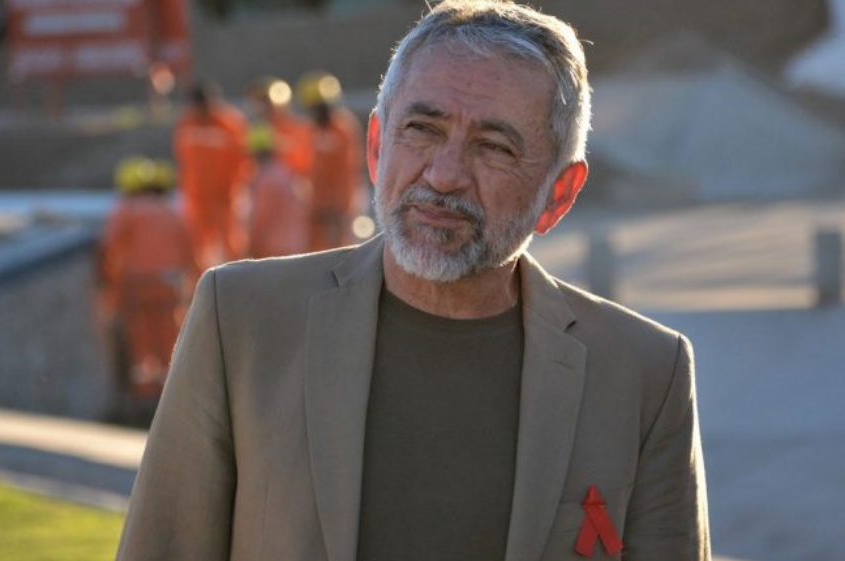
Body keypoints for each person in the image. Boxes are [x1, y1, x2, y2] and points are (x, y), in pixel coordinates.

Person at [116, 1, 711, 560]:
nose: (445, 175)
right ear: (377, 146)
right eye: (423, 129)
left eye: (494, 147)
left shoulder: (646, 375)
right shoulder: (240, 323)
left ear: (559, 194)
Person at [97, 157, 200, 404]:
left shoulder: (126, 209)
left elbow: (108, 248)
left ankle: (144, 398)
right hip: (169, 285)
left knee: (141, 344)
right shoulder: (171, 211)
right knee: (168, 340)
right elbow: (190, 253)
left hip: (138, 286)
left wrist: (108, 287)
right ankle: (171, 395)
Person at [173, 81, 252, 267]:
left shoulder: (230, 123)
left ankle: (236, 280)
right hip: (196, 197)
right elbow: (182, 160)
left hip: (225, 198)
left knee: (232, 244)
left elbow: (243, 160)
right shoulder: (187, 123)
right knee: (197, 247)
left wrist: (233, 189)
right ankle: (201, 282)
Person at [296, 71, 366, 252]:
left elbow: (348, 173)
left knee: (341, 253)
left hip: (338, 212)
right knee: (314, 255)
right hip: (315, 211)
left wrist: (340, 209)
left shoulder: (342, 129)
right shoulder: (310, 130)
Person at [245, 125, 312, 259]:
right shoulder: (286, 172)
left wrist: (252, 243)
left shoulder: (263, 178)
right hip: (294, 244)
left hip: (271, 248)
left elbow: (261, 215)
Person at [246, 76, 315, 178]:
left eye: (266, 102)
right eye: (260, 102)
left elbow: (305, 161)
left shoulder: (298, 127)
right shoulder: (257, 129)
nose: (263, 108)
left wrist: (279, 147)